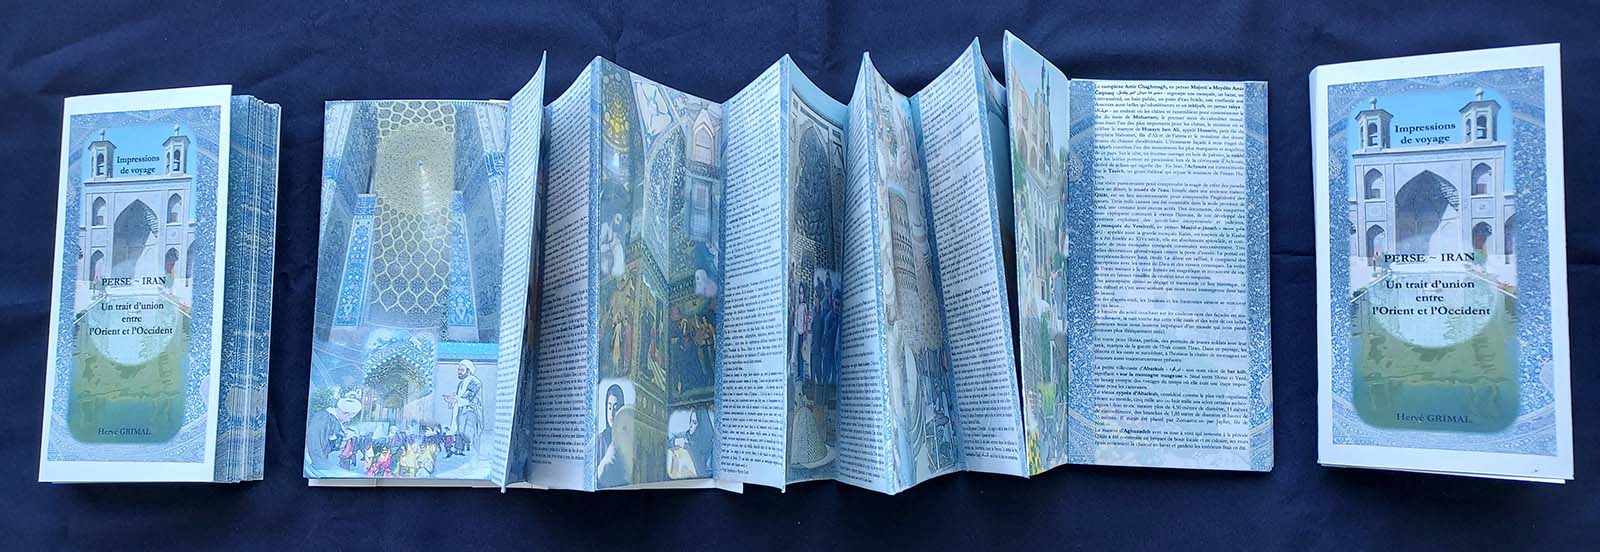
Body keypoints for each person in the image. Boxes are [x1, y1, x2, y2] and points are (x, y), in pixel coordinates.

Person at [304, 394, 363, 472]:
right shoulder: (323, 418)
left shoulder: (333, 420)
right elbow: (315, 442)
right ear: (345, 413)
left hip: (323, 462)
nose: (348, 420)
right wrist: (321, 465)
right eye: (349, 417)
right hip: (316, 464)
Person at [444, 359, 482, 450]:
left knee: (467, 433)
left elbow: (469, 398)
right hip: (461, 411)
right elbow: (458, 398)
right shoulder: (461, 383)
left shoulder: (475, 382)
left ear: (468, 371)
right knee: (460, 431)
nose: (459, 372)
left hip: (471, 412)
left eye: (462, 370)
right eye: (458, 370)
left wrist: (454, 399)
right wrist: (451, 400)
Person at [596, 384, 626, 484]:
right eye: (609, 408)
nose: (612, 413)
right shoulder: (599, 441)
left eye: (616, 408)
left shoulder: (627, 440)